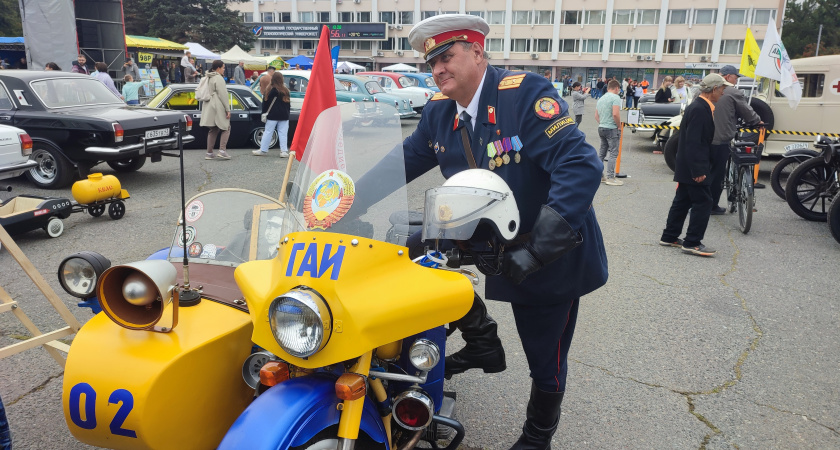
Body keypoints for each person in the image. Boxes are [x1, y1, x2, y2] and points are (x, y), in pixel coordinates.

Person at [404, 14, 608, 449]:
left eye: (447, 56)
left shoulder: (524, 94)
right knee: (406, 258)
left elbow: (580, 165)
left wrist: (536, 253)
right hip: (490, 241)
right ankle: (482, 342)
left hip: (548, 249)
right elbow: (393, 168)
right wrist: (334, 194)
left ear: (477, 53)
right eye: (431, 63)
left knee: (544, 355)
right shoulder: (439, 114)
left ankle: (537, 437)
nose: (438, 68)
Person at [659, 73, 730, 257]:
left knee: (682, 201)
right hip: (693, 166)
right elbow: (694, 142)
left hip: (686, 164)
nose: (723, 92)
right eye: (722, 89)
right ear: (714, 89)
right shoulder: (700, 109)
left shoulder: (698, 106)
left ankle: (670, 236)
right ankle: (692, 242)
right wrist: (698, 169)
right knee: (704, 201)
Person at [710, 65, 765, 214]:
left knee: (704, 171)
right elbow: (746, 111)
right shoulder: (733, 92)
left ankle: (697, 203)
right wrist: (757, 121)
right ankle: (711, 206)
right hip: (721, 138)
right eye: (736, 77)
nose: (736, 80)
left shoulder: (704, 89)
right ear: (727, 77)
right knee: (717, 173)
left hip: (703, 139)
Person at [253, 72, 292, 158]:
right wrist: (287, 114)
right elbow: (288, 104)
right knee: (283, 133)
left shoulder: (270, 89)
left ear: (272, 79)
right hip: (284, 115)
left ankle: (263, 149)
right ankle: (284, 151)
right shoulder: (285, 90)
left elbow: (265, 103)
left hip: (272, 115)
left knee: (268, 132)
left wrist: (264, 113)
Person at [200, 60, 232, 160]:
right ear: (218, 68)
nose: (224, 70)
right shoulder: (218, 78)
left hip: (208, 105)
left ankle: (209, 153)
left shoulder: (208, 76)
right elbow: (223, 94)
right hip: (217, 105)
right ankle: (222, 150)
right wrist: (227, 109)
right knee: (226, 127)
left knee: (213, 129)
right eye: (223, 68)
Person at [595, 80, 624, 186]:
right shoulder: (615, 97)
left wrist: (603, 122)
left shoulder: (601, 98)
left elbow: (596, 116)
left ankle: (600, 176)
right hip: (612, 128)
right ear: (616, 88)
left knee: (602, 153)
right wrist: (619, 126)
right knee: (613, 153)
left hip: (601, 127)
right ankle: (610, 177)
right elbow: (615, 114)